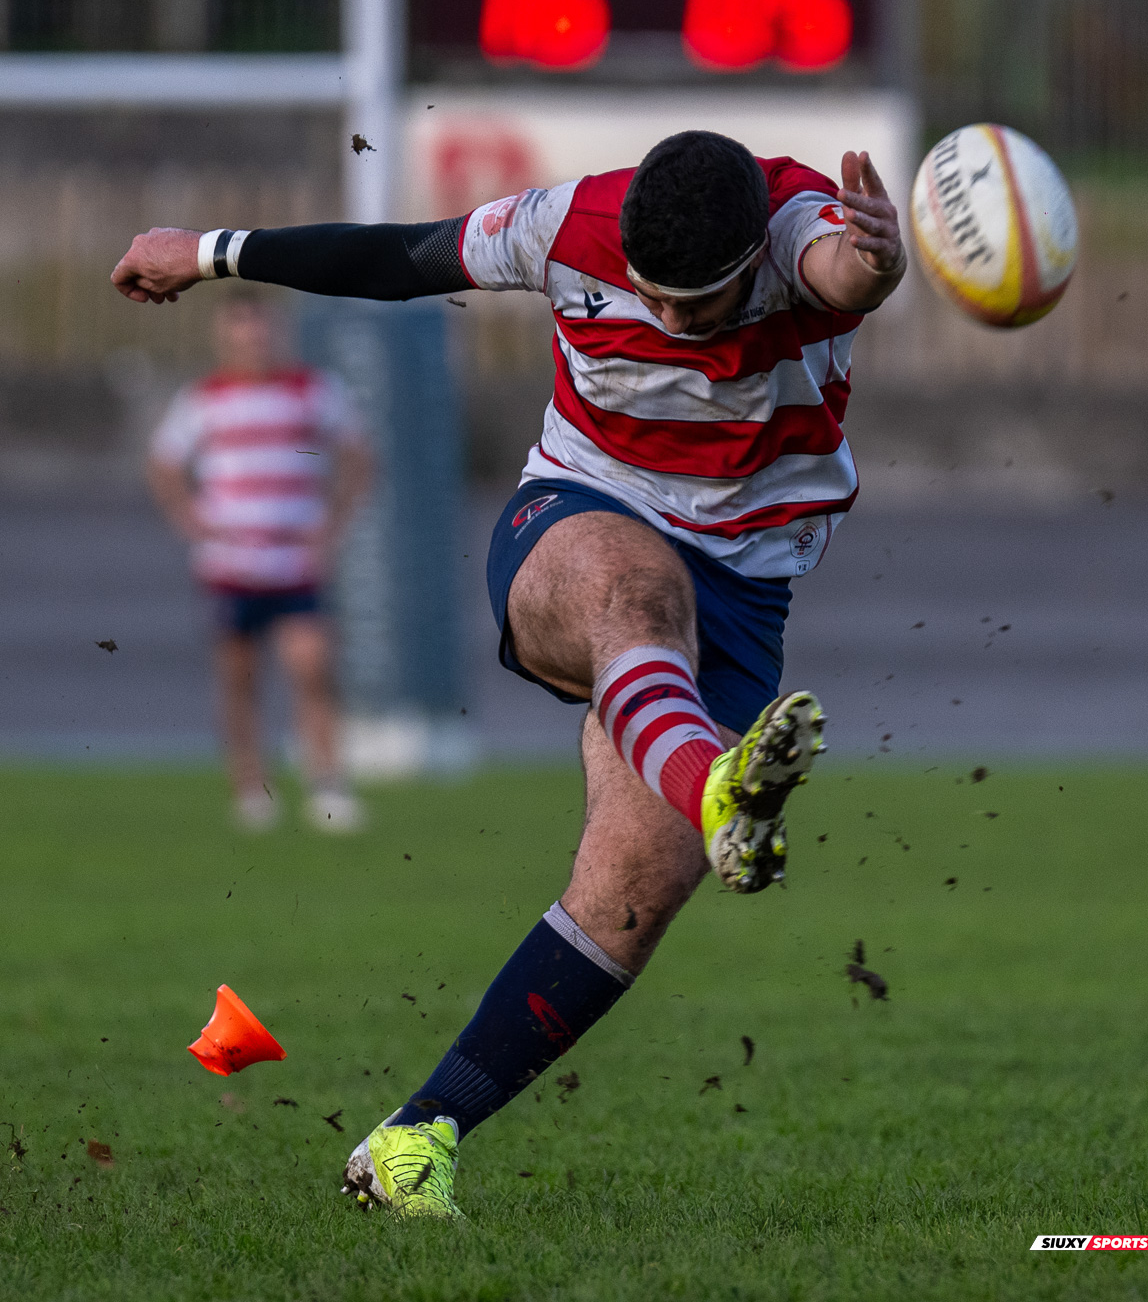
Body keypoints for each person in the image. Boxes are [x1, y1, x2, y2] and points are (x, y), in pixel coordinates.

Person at [113, 128, 905, 1217]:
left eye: (698, 303)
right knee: (636, 596)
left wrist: (880, 261)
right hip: (577, 519)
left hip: (740, 589)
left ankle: (413, 1140)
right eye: (651, 297)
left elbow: (842, 268)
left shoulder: (798, 226)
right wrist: (206, 251)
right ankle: (716, 784)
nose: (669, 321)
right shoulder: (568, 226)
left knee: (626, 902)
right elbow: (399, 258)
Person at [147, 288, 373, 833]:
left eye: (260, 327)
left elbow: (358, 455)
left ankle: (326, 785)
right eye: (240, 328)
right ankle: (251, 788)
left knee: (312, 667)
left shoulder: (311, 390)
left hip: (294, 562)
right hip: (232, 563)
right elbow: (163, 465)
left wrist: (334, 525)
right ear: (224, 334)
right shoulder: (204, 397)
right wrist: (190, 519)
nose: (252, 338)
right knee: (239, 677)